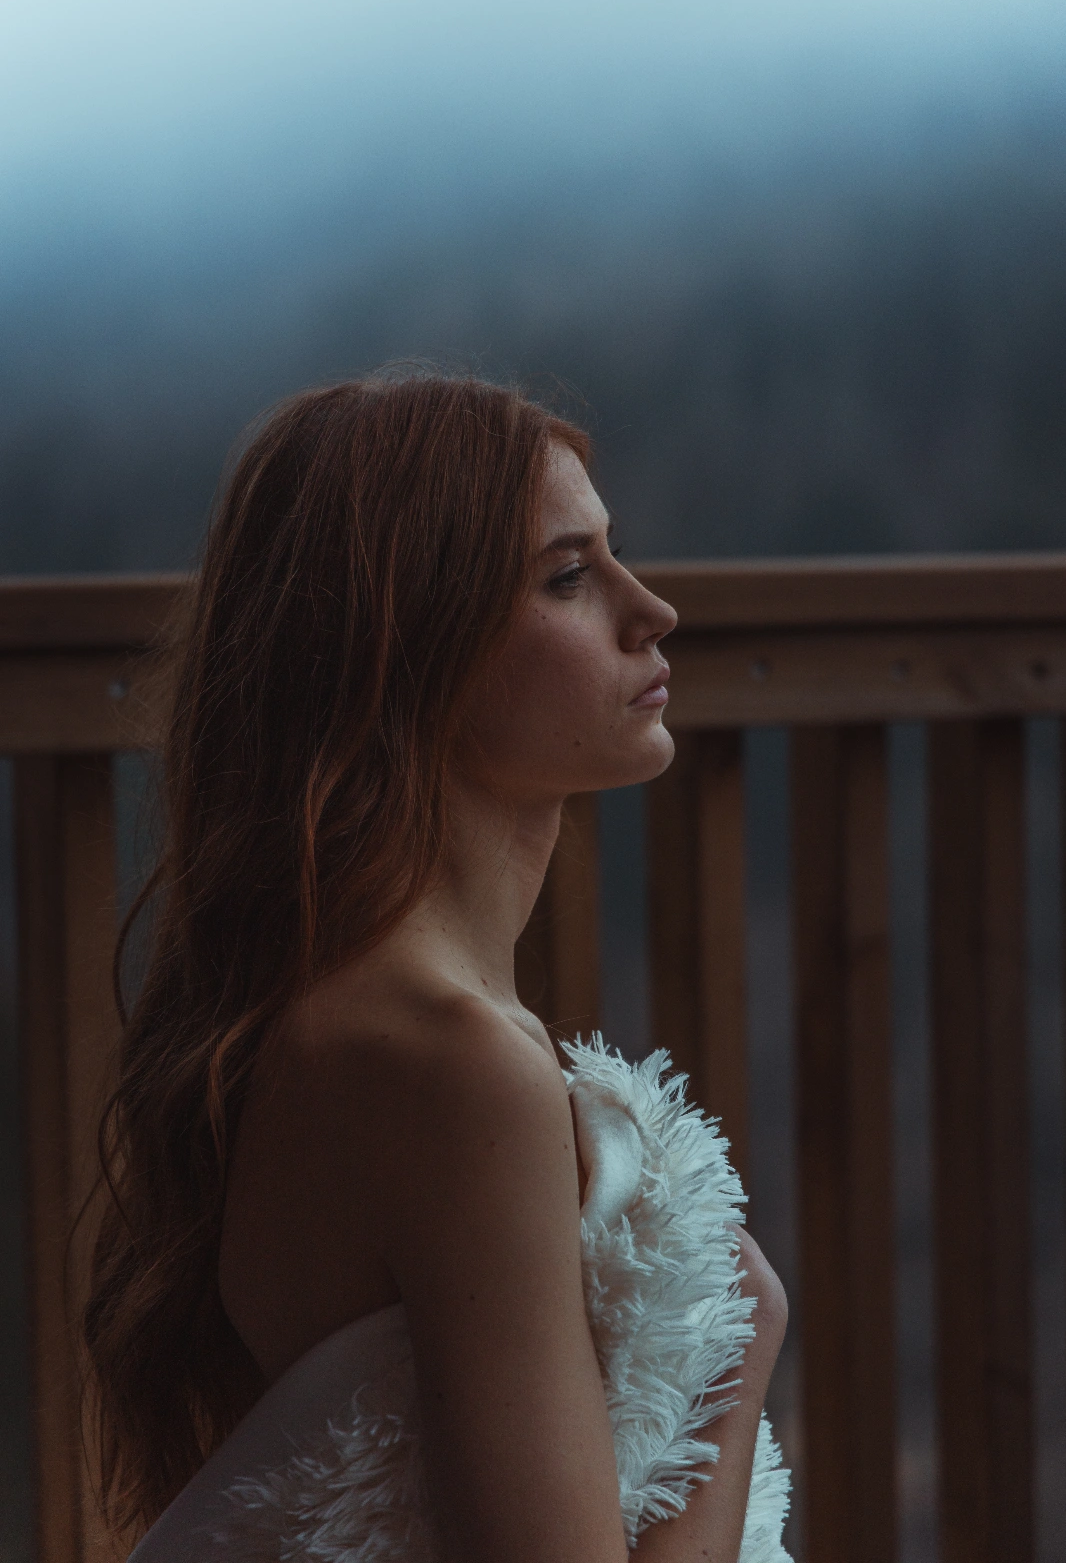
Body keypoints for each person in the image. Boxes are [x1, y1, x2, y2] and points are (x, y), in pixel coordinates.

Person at [84, 371, 791, 1562]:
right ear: (406, 647)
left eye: (615, 557)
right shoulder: (441, 1063)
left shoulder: (356, 1019)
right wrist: (737, 1355)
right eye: (569, 577)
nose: (650, 609)